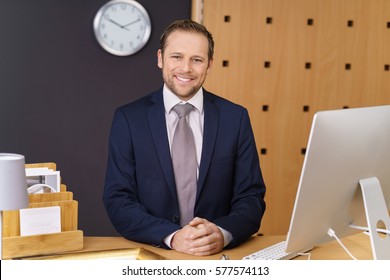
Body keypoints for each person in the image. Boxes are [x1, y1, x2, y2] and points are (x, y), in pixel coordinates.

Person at [103, 19, 266, 256]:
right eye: (176, 57)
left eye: (197, 59)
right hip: (154, 255)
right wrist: (173, 236)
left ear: (209, 64)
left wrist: (222, 233)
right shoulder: (128, 119)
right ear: (160, 59)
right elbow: (118, 199)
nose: (186, 68)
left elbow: (251, 197)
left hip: (216, 258)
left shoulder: (235, 118)